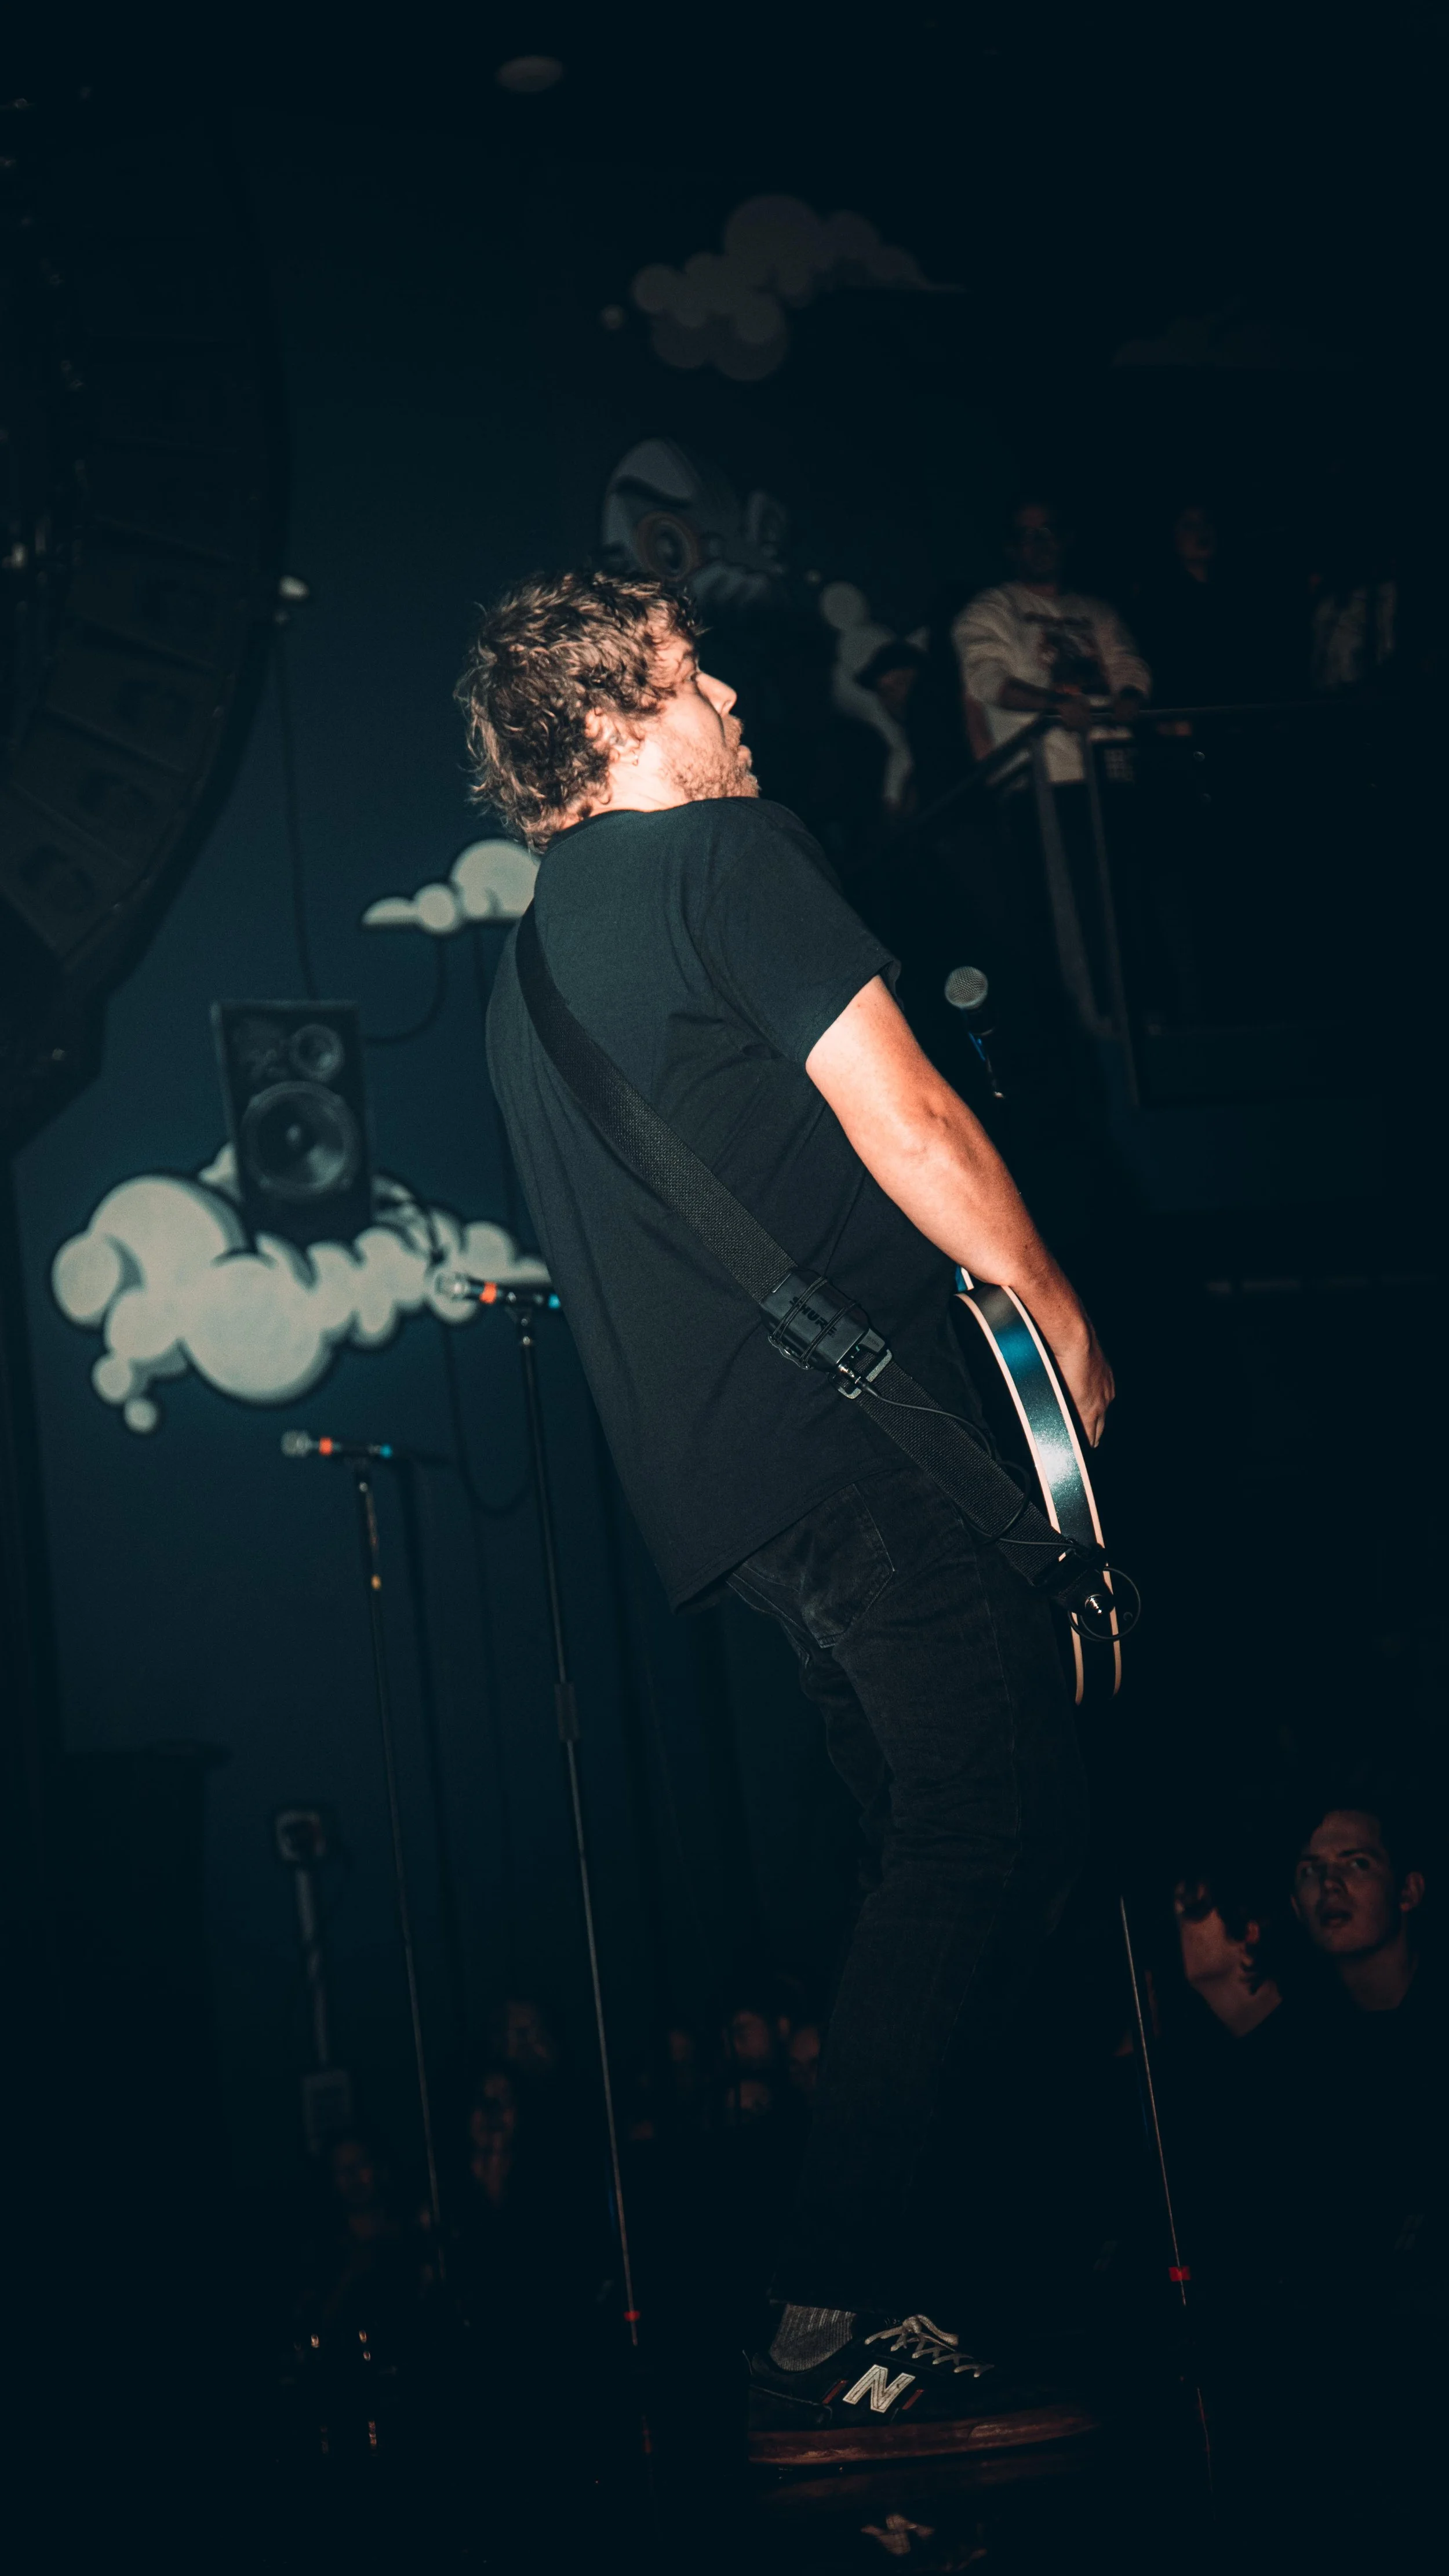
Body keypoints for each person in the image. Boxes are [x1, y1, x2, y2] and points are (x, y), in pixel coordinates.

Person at [464, 567, 1110, 2459]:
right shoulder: (721, 857)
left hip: (745, 1511)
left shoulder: (527, 968)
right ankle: (823, 2319)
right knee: (987, 1842)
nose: (733, 693)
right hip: (871, 1463)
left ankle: (902, 2289)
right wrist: (1053, 1315)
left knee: (963, 1851)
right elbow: (902, 1115)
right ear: (608, 724)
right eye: (687, 673)